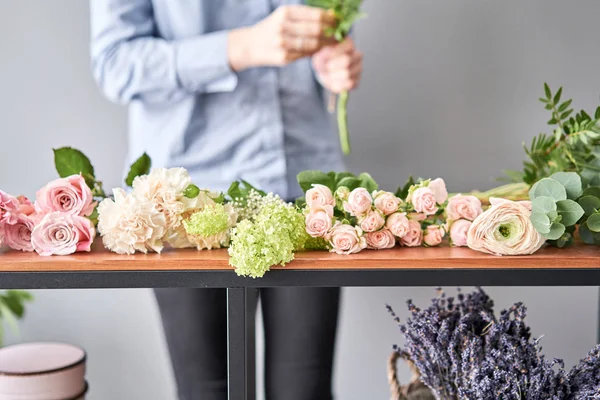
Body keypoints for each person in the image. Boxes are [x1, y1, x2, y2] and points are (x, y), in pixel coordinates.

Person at [90, 1, 363, 399]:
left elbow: (327, 32)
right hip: (187, 204)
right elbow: (115, 63)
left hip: (307, 188)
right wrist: (242, 48)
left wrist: (331, 62)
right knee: (206, 392)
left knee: (306, 390)